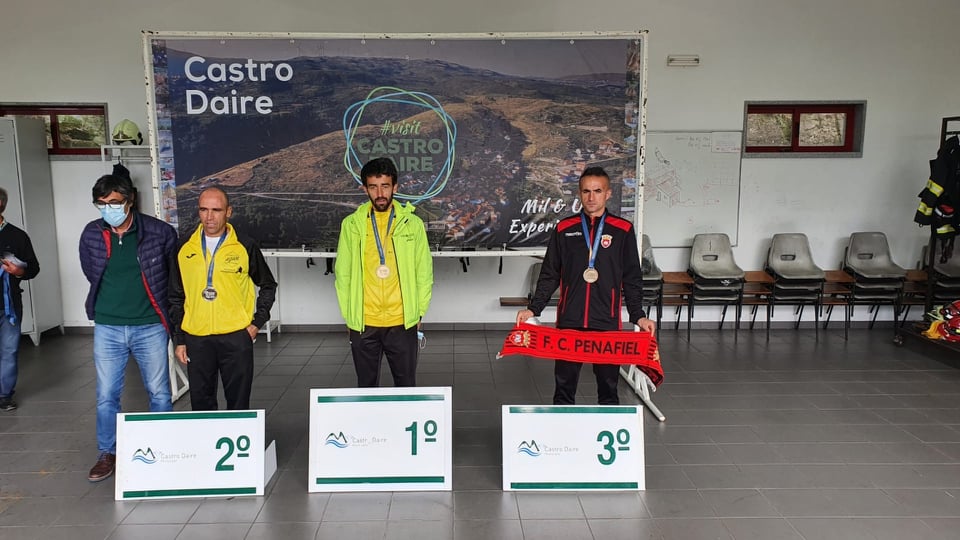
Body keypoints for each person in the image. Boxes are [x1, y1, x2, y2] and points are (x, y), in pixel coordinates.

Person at [516, 166, 656, 405]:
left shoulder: (622, 230)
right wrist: (534, 309)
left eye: (597, 191)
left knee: (609, 387)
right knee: (564, 387)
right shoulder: (564, 229)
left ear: (608, 194)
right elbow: (550, 274)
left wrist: (638, 315)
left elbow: (632, 278)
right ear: (579, 194)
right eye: (586, 191)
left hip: (607, 321)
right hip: (570, 321)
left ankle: (605, 434)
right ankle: (564, 437)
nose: (591, 197)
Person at [79, 170, 177, 482]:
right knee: (107, 394)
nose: (108, 208)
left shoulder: (160, 233)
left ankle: (162, 449)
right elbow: (91, 270)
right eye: (101, 204)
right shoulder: (92, 234)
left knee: (159, 392)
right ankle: (108, 453)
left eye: (114, 202)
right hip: (108, 326)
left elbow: (172, 276)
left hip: (149, 324)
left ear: (130, 201)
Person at [170, 187, 276, 410]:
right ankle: (206, 445)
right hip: (197, 338)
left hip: (236, 337)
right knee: (201, 402)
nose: (209, 217)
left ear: (228, 212)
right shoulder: (183, 247)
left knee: (238, 401)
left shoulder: (245, 246)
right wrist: (179, 339)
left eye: (216, 210)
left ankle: (239, 442)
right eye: (204, 210)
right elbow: (176, 296)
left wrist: (257, 323)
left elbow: (267, 285)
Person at [335, 157, 433, 387]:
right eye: (373, 186)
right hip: (364, 322)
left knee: (406, 384)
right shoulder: (351, 225)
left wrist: (418, 313)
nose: (380, 193)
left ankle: (406, 423)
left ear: (395, 187)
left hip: (402, 321)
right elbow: (343, 275)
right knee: (366, 386)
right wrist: (350, 317)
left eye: (385, 186)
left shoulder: (413, 224)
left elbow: (424, 273)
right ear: (365, 189)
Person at [0, 188, 39, 412]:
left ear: (2, 205)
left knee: (9, 350)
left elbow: (34, 268)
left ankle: (5, 395)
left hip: (9, 305)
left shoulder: (17, 236)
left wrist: (17, 271)